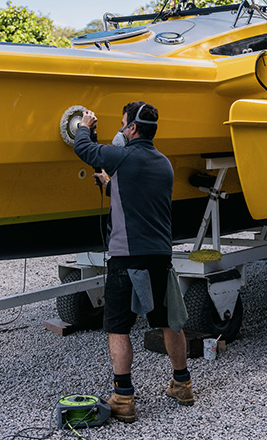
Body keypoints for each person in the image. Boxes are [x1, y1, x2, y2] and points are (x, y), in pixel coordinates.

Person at [73, 101, 193, 423]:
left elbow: (84, 148)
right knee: (169, 322)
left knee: (118, 327)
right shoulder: (163, 164)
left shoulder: (122, 156)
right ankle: (182, 384)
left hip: (127, 259)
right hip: (160, 257)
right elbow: (136, 195)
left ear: (133, 129)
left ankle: (123, 397)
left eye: (123, 123)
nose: (121, 129)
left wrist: (84, 123)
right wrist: (108, 184)